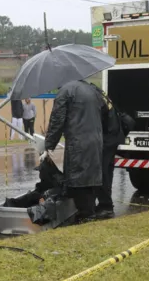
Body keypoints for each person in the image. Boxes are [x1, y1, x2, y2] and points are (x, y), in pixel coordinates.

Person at [44, 79, 106, 219]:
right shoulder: (93, 90)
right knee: (90, 180)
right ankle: (89, 212)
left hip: (78, 143)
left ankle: (85, 215)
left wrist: (48, 146)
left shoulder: (65, 92)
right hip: (95, 140)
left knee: (77, 180)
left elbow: (57, 121)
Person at [91, 84, 129, 216]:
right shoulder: (101, 94)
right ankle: (105, 204)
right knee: (107, 171)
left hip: (108, 139)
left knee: (103, 173)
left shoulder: (95, 98)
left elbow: (96, 120)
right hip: (114, 137)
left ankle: (106, 206)